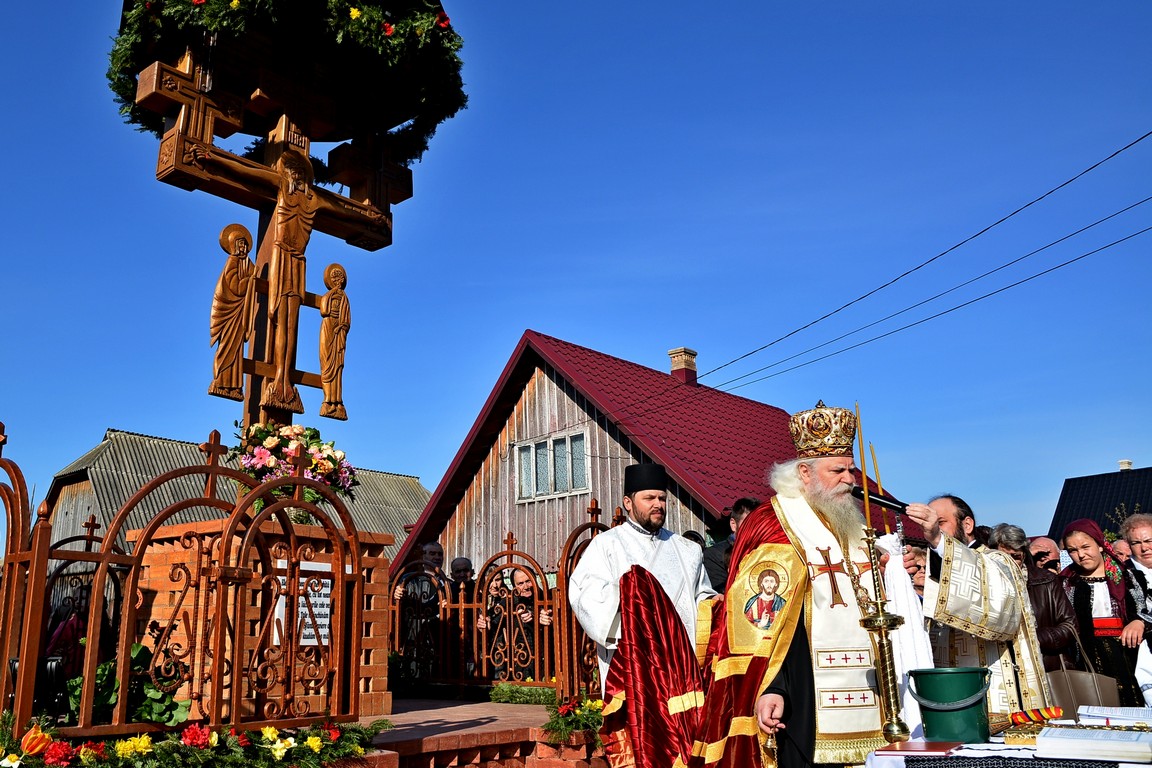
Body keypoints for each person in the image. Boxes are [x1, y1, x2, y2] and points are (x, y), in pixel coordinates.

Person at [701, 401, 931, 768]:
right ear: (804, 473)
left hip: (874, 691)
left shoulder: (850, 522)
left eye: (851, 470)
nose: (850, 480)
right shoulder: (773, 522)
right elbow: (761, 623)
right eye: (837, 470)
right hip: (803, 688)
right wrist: (771, 686)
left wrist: (887, 572)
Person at [569, 463, 716, 685]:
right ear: (628, 503)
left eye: (662, 498)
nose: (658, 504)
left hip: (683, 662)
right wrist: (632, 606)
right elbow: (586, 595)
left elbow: (701, 596)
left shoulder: (688, 549)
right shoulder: (606, 545)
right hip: (634, 664)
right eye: (649, 498)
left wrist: (715, 603)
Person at [904, 495, 1050, 716]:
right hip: (949, 689)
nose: (931, 529)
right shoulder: (933, 565)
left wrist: (937, 540)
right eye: (929, 524)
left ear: (968, 524)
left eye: (940, 522)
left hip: (997, 690)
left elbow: (999, 613)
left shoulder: (998, 562)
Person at [1061, 518, 1150, 706]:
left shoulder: (1130, 577)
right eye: (1073, 550)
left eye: (1086, 547)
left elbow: (1148, 609)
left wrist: (1139, 621)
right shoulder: (1066, 583)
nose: (1081, 555)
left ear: (1100, 545)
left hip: (1129, 656)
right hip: (1089, 659)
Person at [988, 523, 1078, 672]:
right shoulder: (985, 584)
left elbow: (1070, 626)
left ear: (1023, 554)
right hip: (1001, 669)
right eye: (1004, 557)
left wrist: (1033, 638)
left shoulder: (1046, 581)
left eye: (1015, 557)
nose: (1010, 564)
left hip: (1045, 666)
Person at [476, 567, 553, 681]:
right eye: (520, 583)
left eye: (528, 581)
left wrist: (547, 619)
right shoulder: (510, 600)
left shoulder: (548, 598)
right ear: (514, 586)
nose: (526, 587)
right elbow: (494, 621)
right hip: (521, 661)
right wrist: (485, 624)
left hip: (548, 658)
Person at [208, 223, 256, 400]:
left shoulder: (248, 264)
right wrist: (249, 281)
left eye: (245, 244)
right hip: (230, 312)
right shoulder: (232, 262)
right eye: (240, 244)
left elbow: (256, 276)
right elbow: (234, 286)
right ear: (233, 245)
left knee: (237, 351)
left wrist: (254, 278)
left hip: (241, 313)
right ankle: (221, 381)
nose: (243, 247)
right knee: (227, 347)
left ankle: (235, 386)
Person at [702, 497, 760, 591]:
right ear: (733, 524)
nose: (754, 529)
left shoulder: (766, 552)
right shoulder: (714, 555)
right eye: (748, 524)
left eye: (759, 524)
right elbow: (723, 593)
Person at [318, 262, 351, 420]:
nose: (339, 282)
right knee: (326, 363)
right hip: (328, 327)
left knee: (337, 366)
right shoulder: (329, 296)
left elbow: (347, 319)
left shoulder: (344, 298)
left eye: (341, 280)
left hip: (339, 332)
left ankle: (336, 402)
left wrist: (342, 327)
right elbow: (324, 310)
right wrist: (332, 293)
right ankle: (327, 400)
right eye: (336, 280)